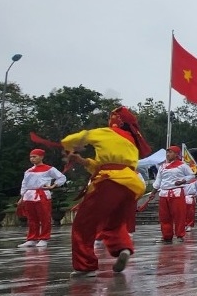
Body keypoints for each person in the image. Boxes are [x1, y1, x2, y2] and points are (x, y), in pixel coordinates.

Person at [61, 107, 151, 274]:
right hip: (131, 184)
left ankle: (85, 266)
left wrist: (68, 148)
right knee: (113, 223)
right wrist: (82, 160)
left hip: (110, 182)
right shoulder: (131, 140)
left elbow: (71, 139)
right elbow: (104, 165)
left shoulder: (106, 132)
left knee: (83, 224)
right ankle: (123, 248)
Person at [17, 148, 67, 248]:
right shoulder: (29, 171)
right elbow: (24, 184)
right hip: (29, 195)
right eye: (31, 157)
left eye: (34, 157)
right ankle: (32, 238)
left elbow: (62, 177)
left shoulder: (49, 169)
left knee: (44, 217)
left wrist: (53, 185)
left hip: (42, 194)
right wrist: (22, 197)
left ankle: (44, 238)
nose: (32, 159)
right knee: (31, 218)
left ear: (41, 157)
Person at [153, 145, 196, 243]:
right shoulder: (162, 167)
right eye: (167, 152)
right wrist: (153, 193)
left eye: (170, 152)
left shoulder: (182, 165)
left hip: (176, 192)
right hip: (164, 193)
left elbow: (191, 175)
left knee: (179, 215)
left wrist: (182, 181)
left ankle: (180, 235)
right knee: (164, 217)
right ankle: (166, 236)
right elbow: (158, 181)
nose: (168, 154)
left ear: (176, 154)